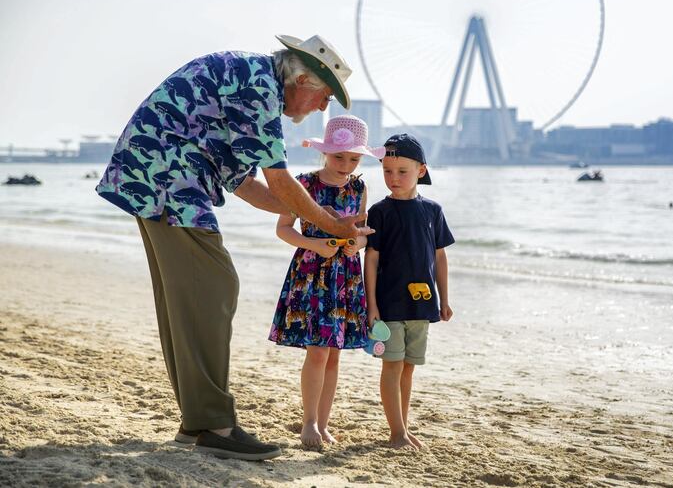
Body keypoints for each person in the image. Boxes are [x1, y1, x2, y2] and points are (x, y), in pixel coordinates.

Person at [96, 34, 372, 461]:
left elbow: (247, 185)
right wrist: (331, 223)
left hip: (154, 173)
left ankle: (197, 422)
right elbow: (279, 181)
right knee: (214, 288)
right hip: (168, 174)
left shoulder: (250, 79)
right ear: (302, 79)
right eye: (324, 96)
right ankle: (214, 424)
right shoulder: (260, 87)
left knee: (188, 299)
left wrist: (320, 219)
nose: (322, 108)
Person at [269, 115, 385, 447]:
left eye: (353, 158)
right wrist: (314, 244)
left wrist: (357, 244)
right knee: (318, 352)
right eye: (339, 157)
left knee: (333, 353)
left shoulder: (359, 187)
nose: (346, 164)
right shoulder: (304, 185)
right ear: (325, 153)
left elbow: (362, 232)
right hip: (311, 274)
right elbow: (283, 228)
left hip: (345, 277)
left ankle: (322, 423)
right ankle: (308, 423)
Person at [363, 133, 455, 450]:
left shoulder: (433, 211)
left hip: (422, 305)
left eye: (402, 171)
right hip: (388, 305)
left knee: (408, 367)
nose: (393, 178)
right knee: (392, 365)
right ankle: (396, 432)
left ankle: (402, 427)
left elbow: (440, 258)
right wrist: (371, 304)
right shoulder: (380, 212)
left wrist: (444, 299)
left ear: (420, 170)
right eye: (387, 171)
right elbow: (371, 260)